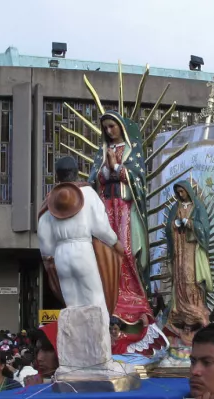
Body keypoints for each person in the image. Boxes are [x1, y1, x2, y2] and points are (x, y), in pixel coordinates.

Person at [89, 111, 155, 326]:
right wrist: (106, 171)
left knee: (126, 250)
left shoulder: (132, 149)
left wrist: (117, 168)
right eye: (105, 128)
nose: (109, 131)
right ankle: (110, 295)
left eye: (112, 126)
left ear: (121, 127)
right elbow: (94, 180)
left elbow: (139, 178)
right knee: (105, 251)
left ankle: (132, 296)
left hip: (126, 208)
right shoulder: (102, 151)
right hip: (106, 208)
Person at [39, 155, 122, 320]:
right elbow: (100, 227)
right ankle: (99, 344)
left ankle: (75, 344)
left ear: (57, 175)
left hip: (61, 255)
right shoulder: (88, 194)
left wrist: (48, 258)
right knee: (95, 303)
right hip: (82, 250)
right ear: (77, 172)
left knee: (72, 306)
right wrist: (115, 242)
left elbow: (44, 238)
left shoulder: (50, 200)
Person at [165, 180, 213, 330]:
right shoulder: (176, 207)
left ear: (188, 191)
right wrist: (175, 225)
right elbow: (168, 227)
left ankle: (195, 307)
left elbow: (204, 229)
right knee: (180, 277)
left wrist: (190, 223)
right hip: (179, 249)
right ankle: (179, 309)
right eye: (178, 192)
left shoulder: (197, 206)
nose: (180, 194)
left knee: (190, 277)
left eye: (182, 191)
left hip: (192, 249)